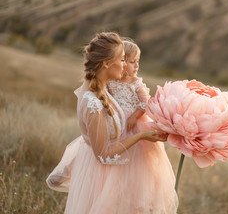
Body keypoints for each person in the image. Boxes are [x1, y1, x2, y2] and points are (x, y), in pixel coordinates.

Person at [48, 32, 178, 213]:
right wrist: (142, 135)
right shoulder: (93, 102)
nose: (125, 65)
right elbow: (103, 154)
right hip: (100, 173)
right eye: (123, 60)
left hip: (107, 168)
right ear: (107, 63)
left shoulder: (103, 91)